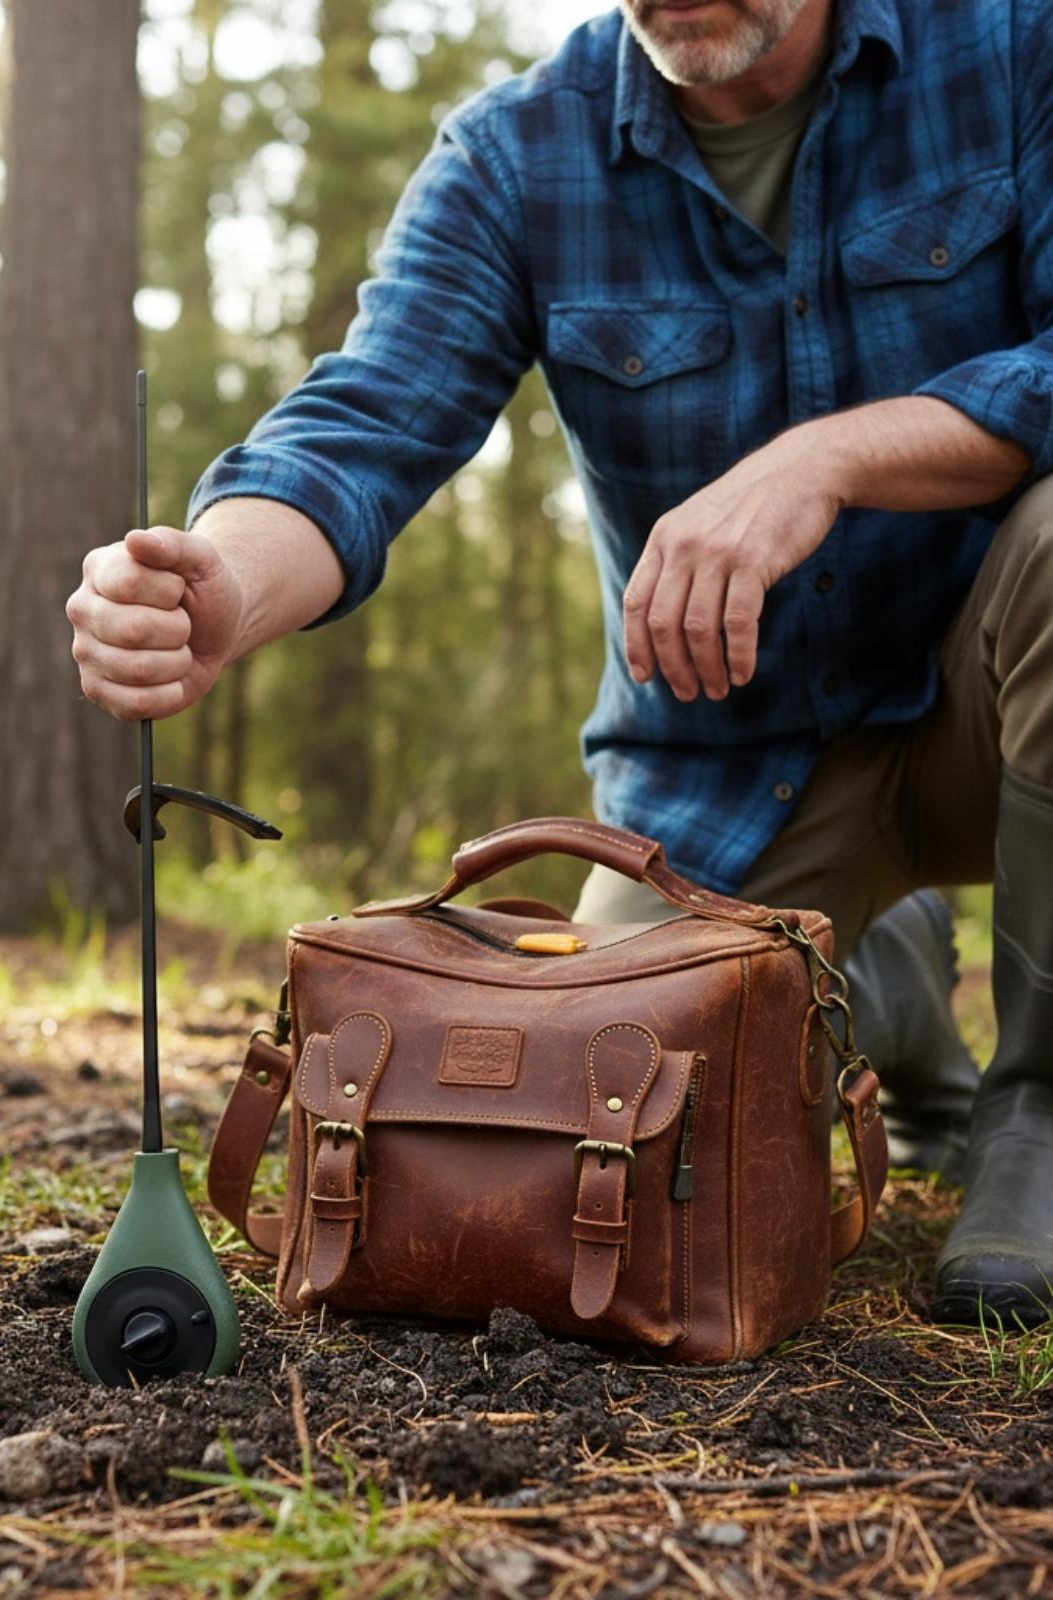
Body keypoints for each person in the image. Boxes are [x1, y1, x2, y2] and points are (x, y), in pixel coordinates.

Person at [65, 0, 1053, 1328]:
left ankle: (1037, 1111)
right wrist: (223, 589)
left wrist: (826, 459)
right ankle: (874, 980)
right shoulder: (518, 154)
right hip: (729, 782)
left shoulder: (1014, 47)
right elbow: (365, 425)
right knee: (600, 1124)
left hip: (1001, 710)